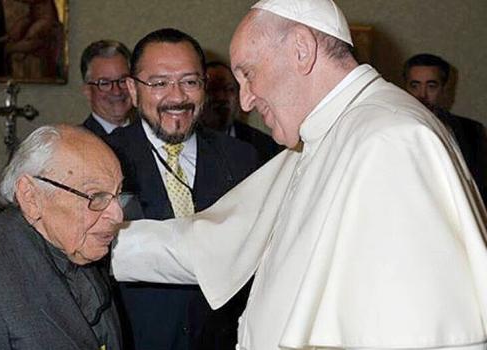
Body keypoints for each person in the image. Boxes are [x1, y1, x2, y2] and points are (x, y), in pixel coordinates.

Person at [110, 1, 487, 350]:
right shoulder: (326, 134)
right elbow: (210, 244)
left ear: (302, 50)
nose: (245, 101)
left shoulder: (390, 139)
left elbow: (419, 333)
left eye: (249, 74)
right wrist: (86, 234)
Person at [104, 28, 259, 350]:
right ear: (133, 90)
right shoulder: (101, 159)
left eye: (189, 82)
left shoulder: (242, 159)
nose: (177, 97)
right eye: (159, 83)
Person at [0, 125, 124, 350]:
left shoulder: (76, 246)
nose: (117, 214)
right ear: (30, 197)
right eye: (96, 196)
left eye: (118, 194)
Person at [403, 53, 487, 202]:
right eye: (415, 85)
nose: (422, 94)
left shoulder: (471, 131)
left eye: (431, 86)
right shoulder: (392, 128)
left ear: (444, 88)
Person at [202, 61, 283, 163]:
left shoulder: (264, 146)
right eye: (212, 89)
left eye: (229, 89)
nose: (221, 97)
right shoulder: (185, 143)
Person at [80, 40, 134, 137]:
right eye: (105, 83)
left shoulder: (152, 136)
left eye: (123, 80)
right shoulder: (78, 143)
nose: (117, 91)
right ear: (87, 91)